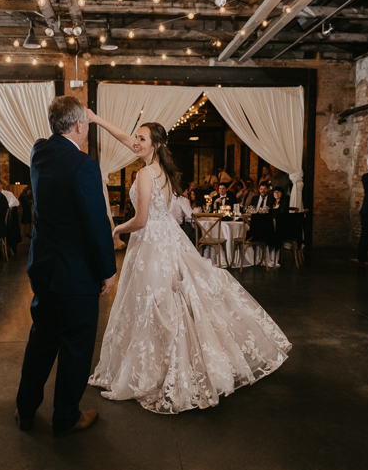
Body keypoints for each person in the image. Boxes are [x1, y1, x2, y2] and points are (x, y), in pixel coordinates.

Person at [88, 111, 291, 414]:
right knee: (169, 302)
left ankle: (156, 369)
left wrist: (116, 228)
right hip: (168, 238)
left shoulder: (145, 174)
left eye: (141, 139)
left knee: (152, 304)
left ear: (154, 144)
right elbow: (124, 137)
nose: (135, 143)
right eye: (136, 138)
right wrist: (97, 119)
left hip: (152, 243)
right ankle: (170, 361)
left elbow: (141, 220)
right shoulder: (162, 170)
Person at [16, 96, 116, 436]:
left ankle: (25, 409)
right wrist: (108, 269)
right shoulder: (83, 165)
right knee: (76, 346)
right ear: (77, 126)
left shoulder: (39, 153)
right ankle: (66, 416)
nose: (87, 128)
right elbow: (95, 221)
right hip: (75, 275)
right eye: (86, 123)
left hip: (43, 269)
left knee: (42, 340)